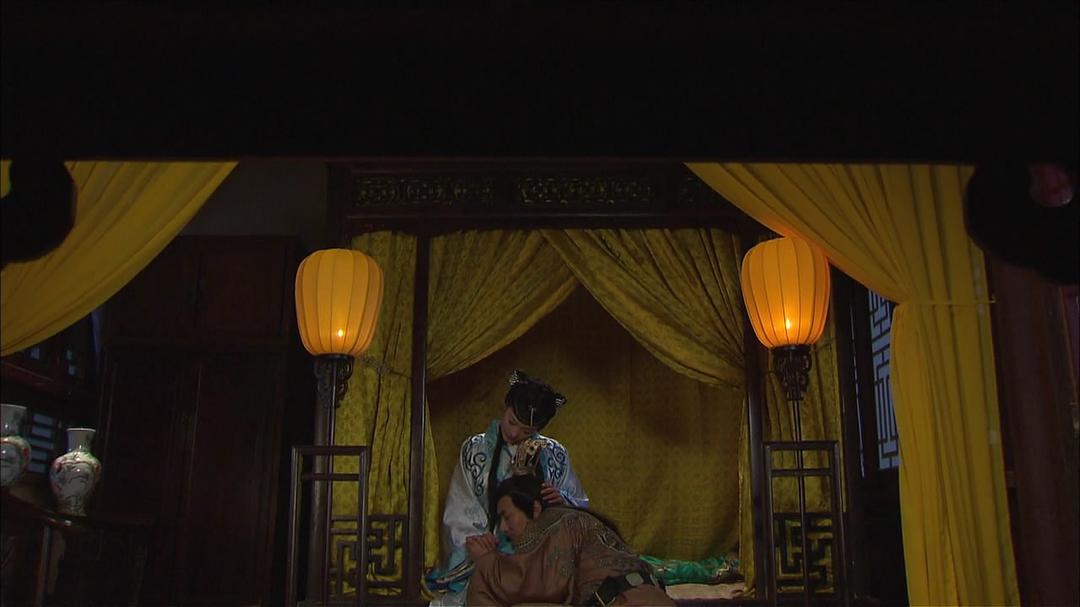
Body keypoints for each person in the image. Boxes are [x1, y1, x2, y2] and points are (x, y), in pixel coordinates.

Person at [426, 370, 589, 605]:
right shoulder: (475, 450)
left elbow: (581, 511)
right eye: (511, 421)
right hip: (486, 556)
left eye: (526, 431)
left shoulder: (555, 455)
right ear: (505, 407)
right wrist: (485, 546)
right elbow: (459, 510)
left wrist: (563, 502)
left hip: (541, 561)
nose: (514, 433)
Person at [466, 474, 673, 607]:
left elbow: (530, 582)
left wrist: (486, 561)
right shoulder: (571, 520)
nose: (503, 528)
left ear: (535, 508)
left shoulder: (555, 523)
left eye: (507, 517)